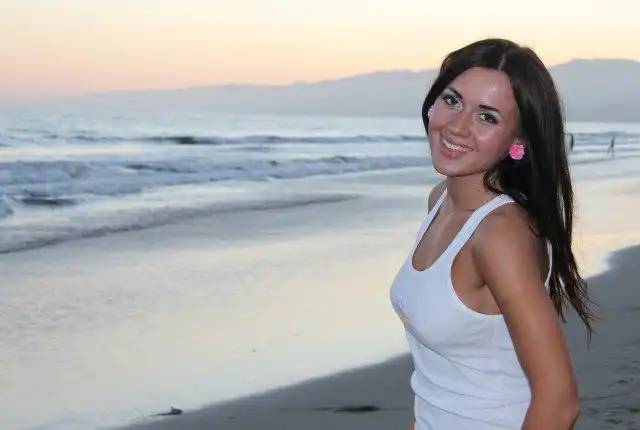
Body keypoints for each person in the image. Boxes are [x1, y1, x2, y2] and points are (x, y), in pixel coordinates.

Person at [389, 38, 595, 430]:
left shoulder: (500, 234)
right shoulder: (440, 201)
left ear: (518, 141)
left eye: (487, 117)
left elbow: (559, 402)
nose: (457, 125)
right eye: (452, 100)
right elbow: (436, 377)